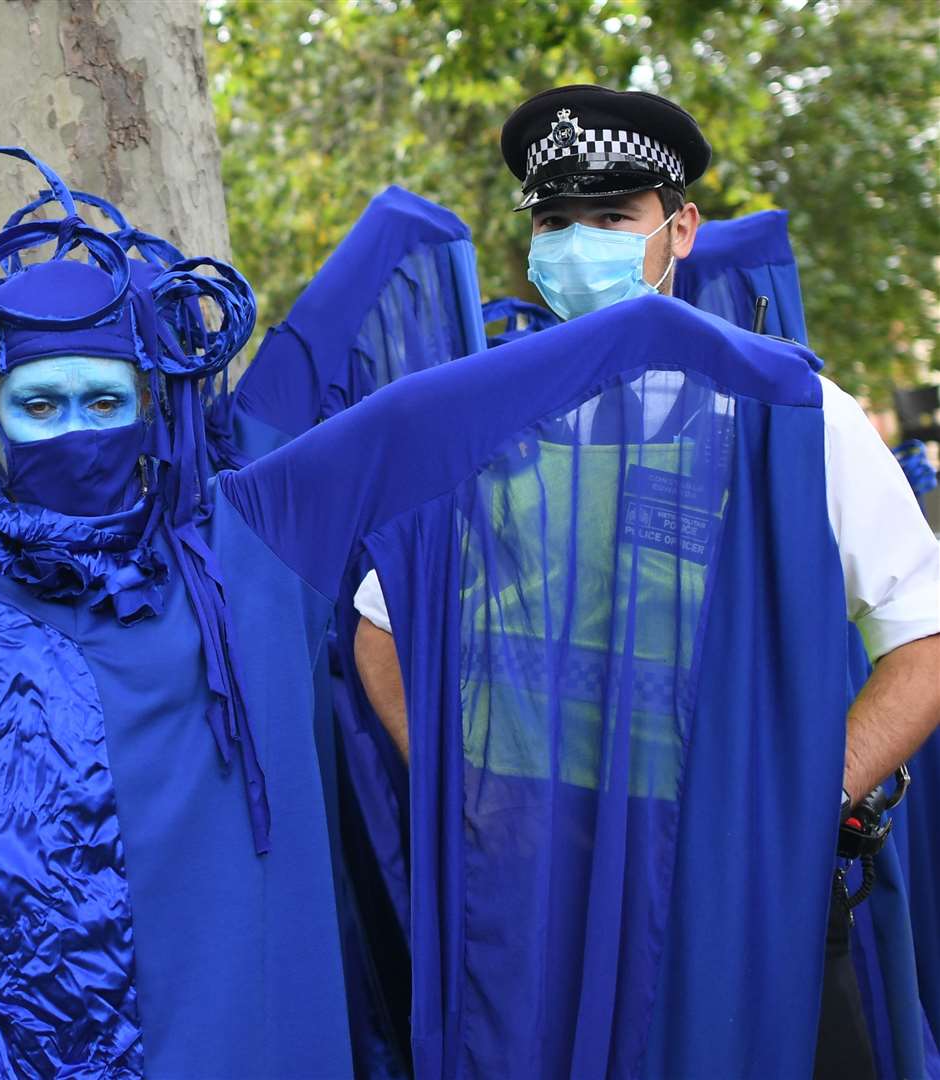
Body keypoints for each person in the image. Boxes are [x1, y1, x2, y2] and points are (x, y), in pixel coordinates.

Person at [351, 84, 940, 1076]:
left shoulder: (791, 412)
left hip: (736, 882)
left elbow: (922, 635)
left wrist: (796, 800)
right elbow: (381, 630)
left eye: (612, 216)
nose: (580, 243)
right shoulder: (476, 426)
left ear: (680, 228)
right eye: (556, 220)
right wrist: (476, 791)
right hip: (540, 896)